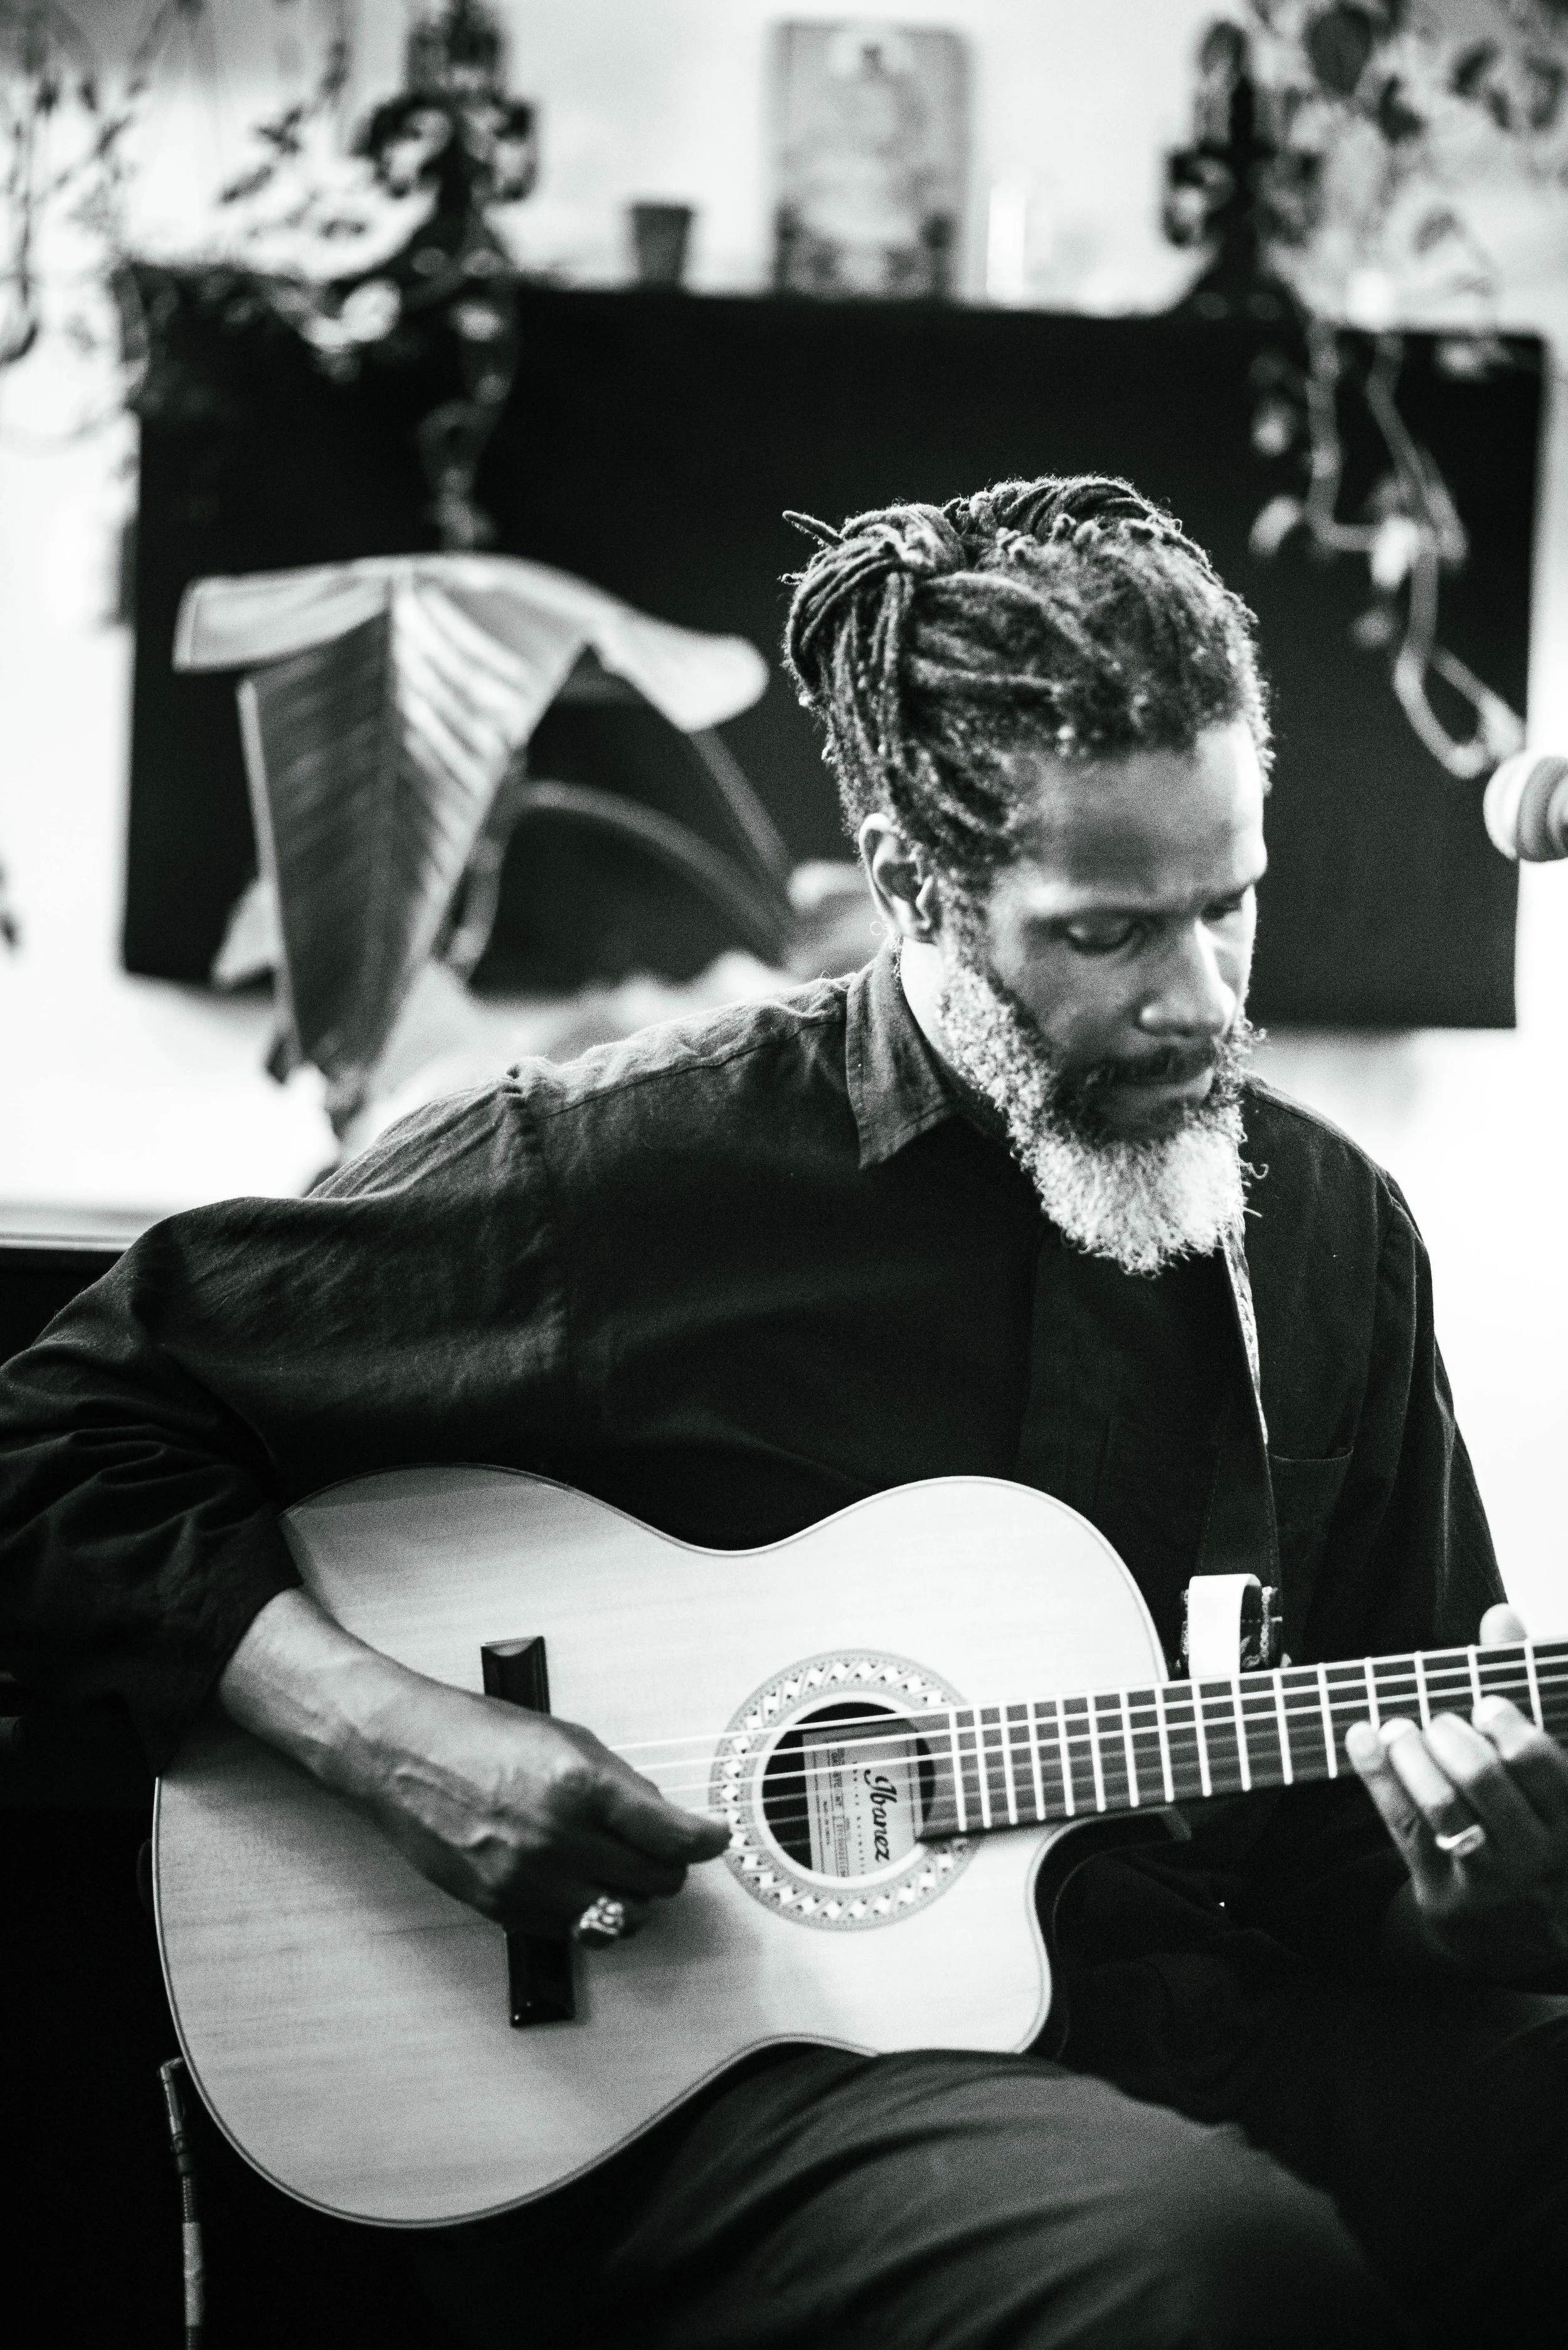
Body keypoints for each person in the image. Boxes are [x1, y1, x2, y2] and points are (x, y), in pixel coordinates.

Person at [3, 475, 1566, 2349]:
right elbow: (52, 1428)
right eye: (1104, 934)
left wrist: (1478, 1904)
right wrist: (395, 1735)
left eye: (1226, 907)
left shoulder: (1317, 1240)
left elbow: (1363, 1836)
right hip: (724, 2074)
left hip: (1199, 2027)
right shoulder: (616, 1178)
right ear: (916, 887)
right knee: (1199, 2275)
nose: (1196, 1000)